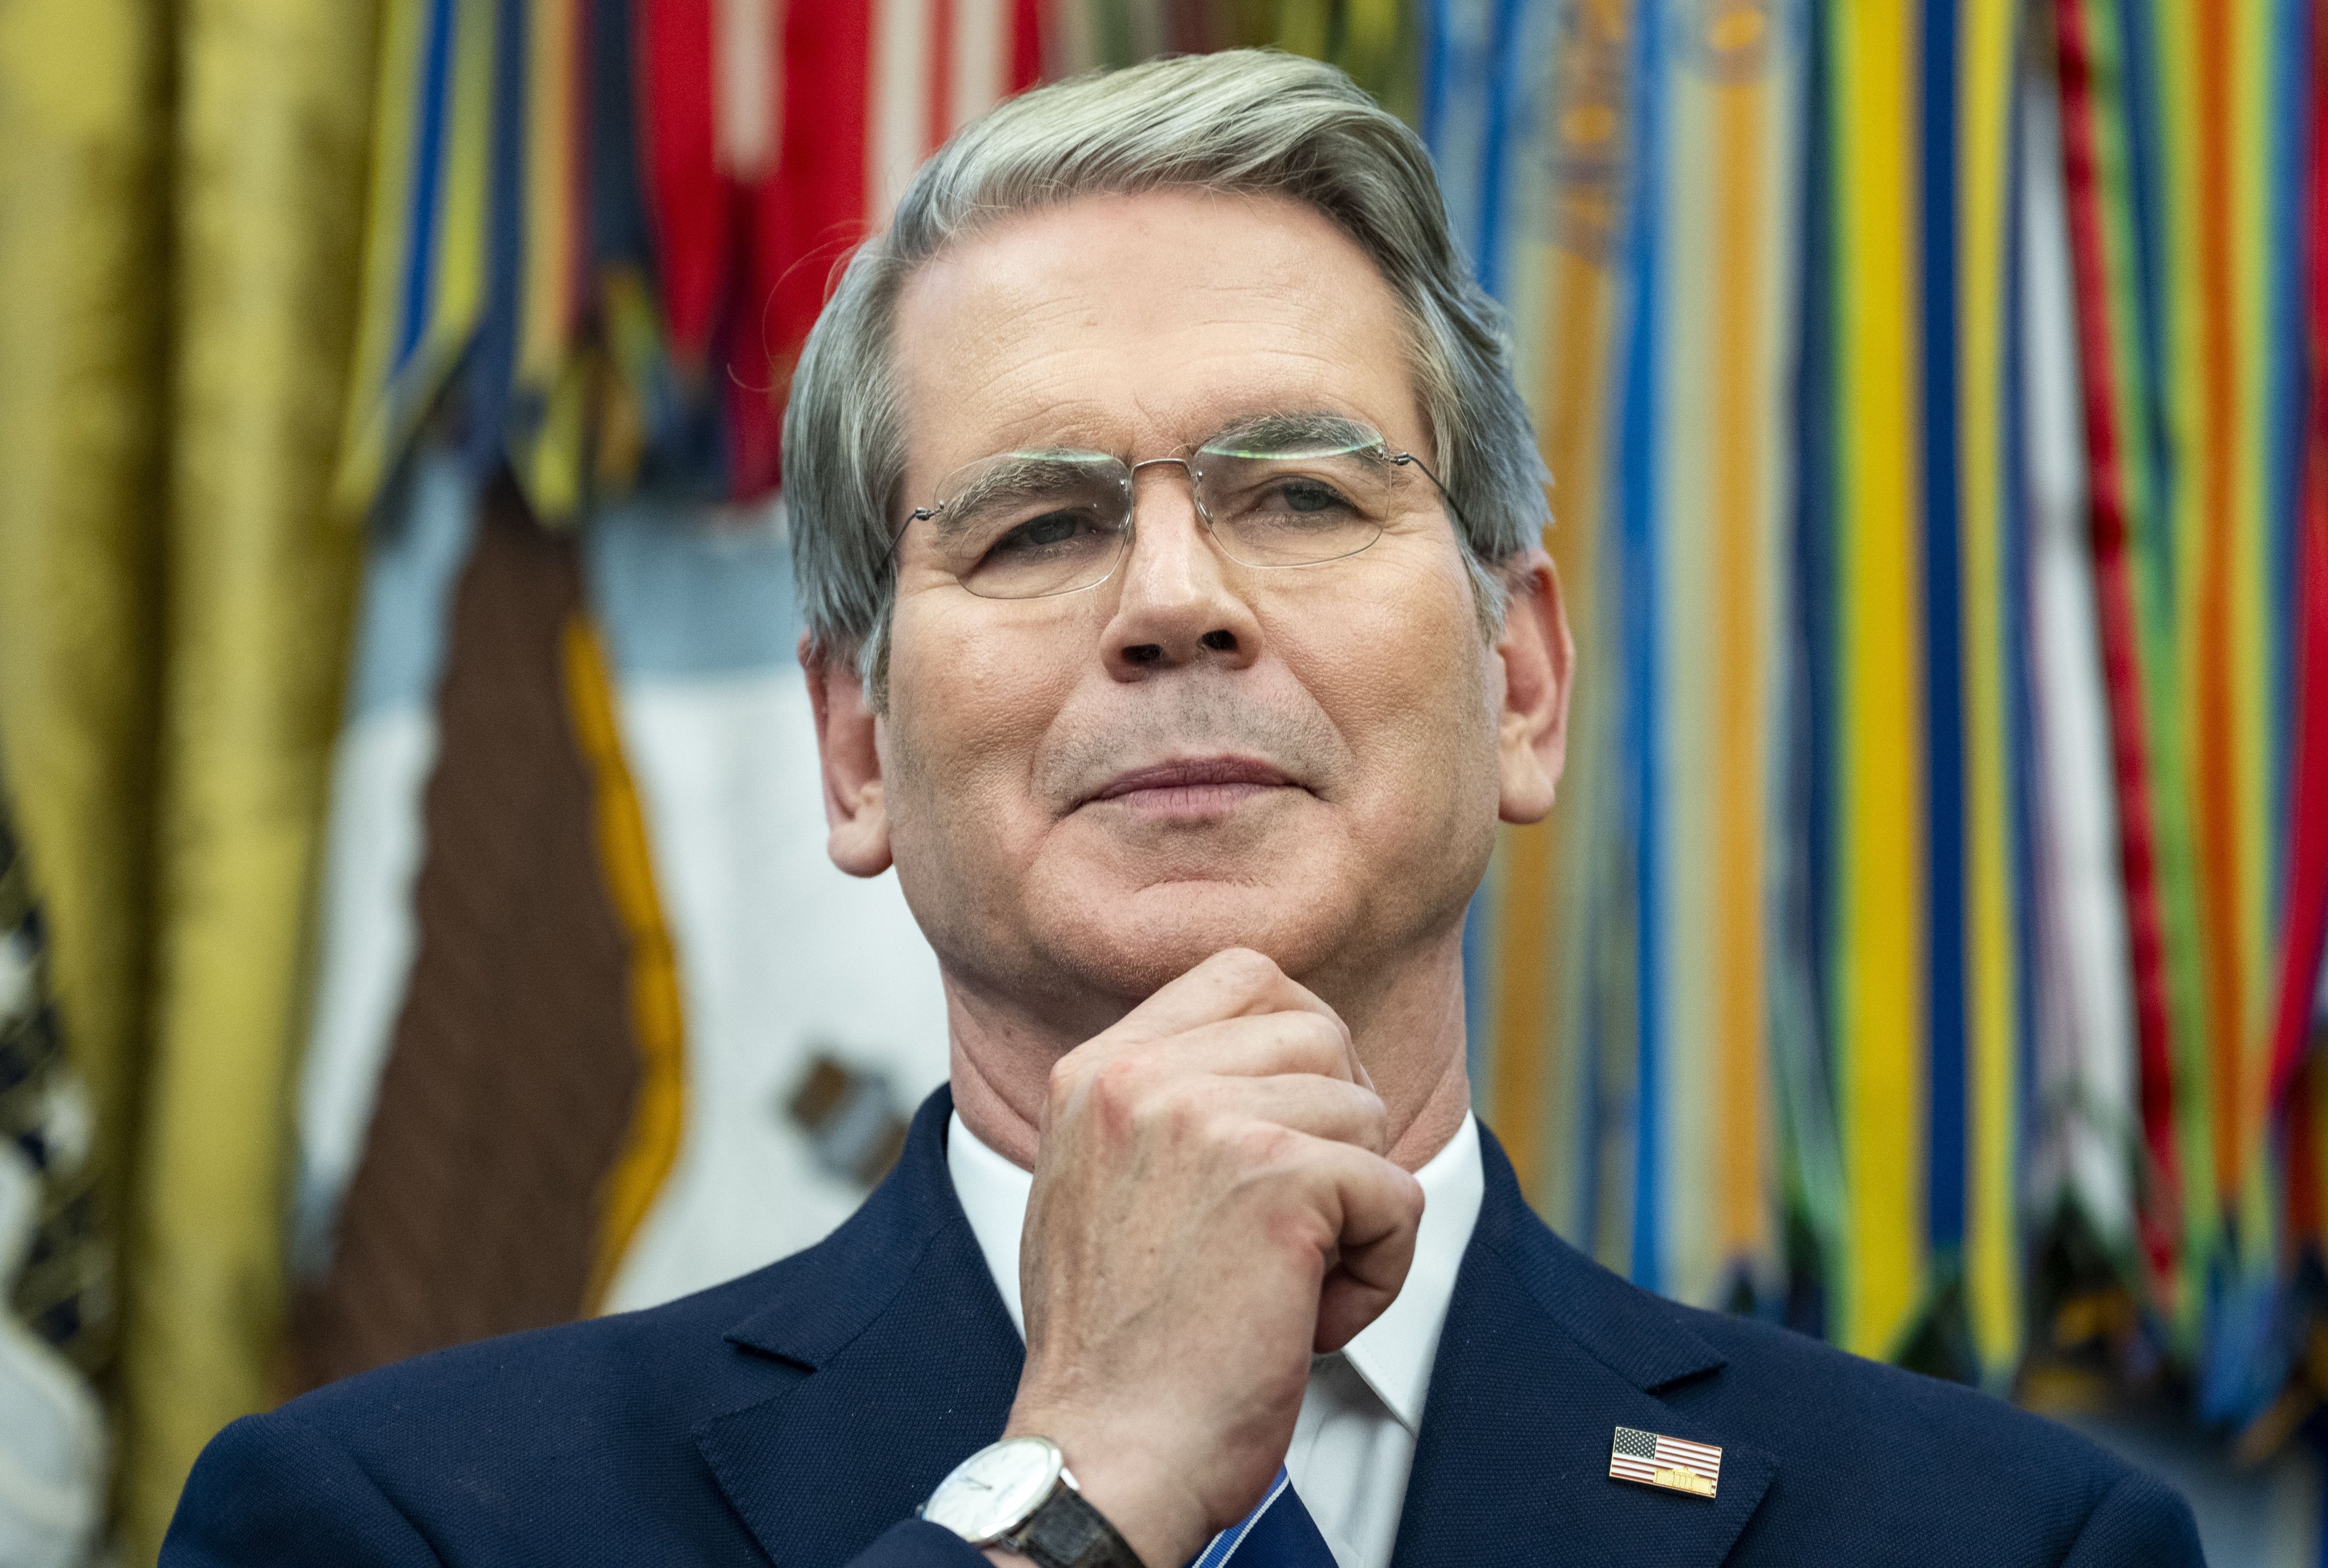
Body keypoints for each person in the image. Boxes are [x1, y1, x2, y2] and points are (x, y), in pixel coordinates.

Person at [163, 49, 2202, 1568]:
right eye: (1039, 525)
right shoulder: (391, 1519)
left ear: (1521, 681)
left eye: (1299, 494)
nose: (1174, 601)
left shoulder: (2006, 1539)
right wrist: (1081, 1486)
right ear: (856, 748)